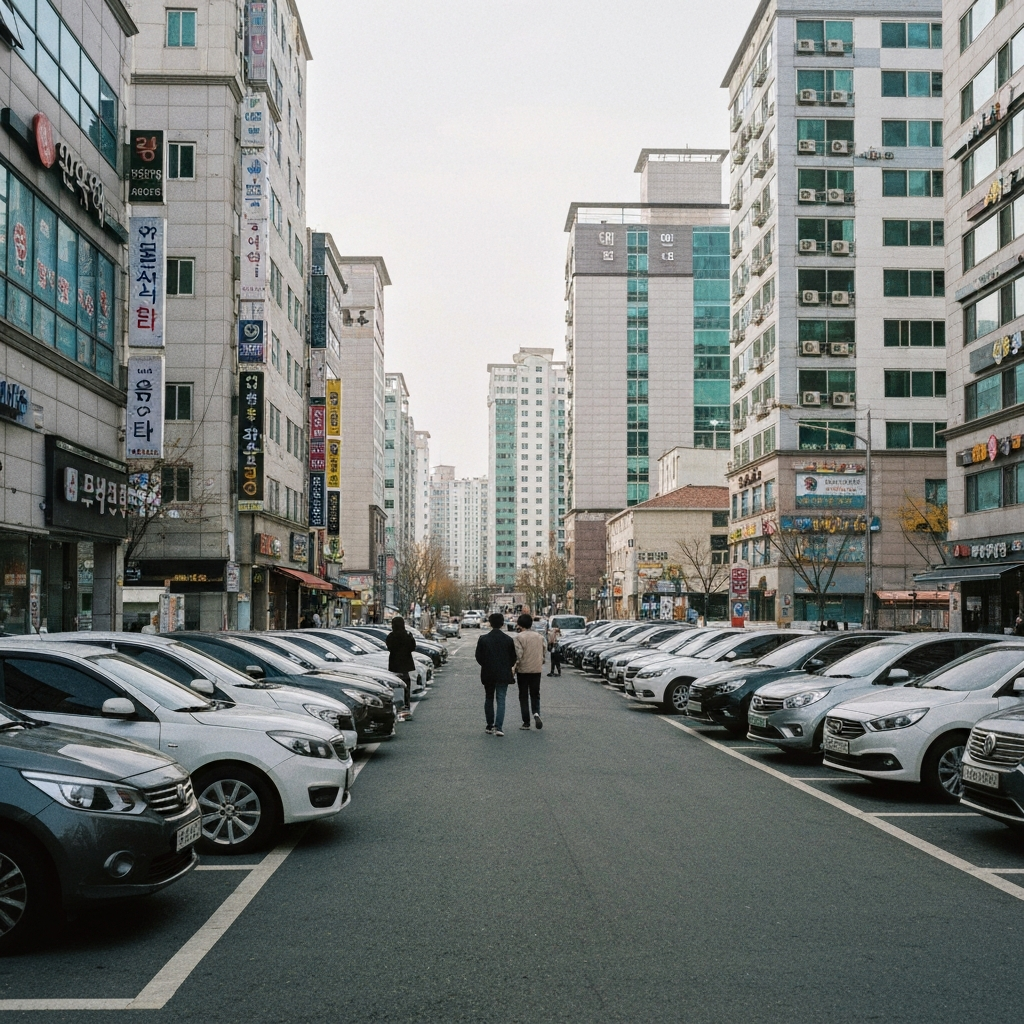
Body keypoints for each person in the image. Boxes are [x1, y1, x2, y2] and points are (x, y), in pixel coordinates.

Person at [475, 612, 517, 736]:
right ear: (502, 623)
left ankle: (489, 725)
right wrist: (506, 666)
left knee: (489, 698)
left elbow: (478, 656)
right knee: (501, 699)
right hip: (503, 673)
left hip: (488, 672)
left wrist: (486, 664)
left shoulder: (483, 639)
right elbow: (513, 658)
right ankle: (499, 727)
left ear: (490, 623)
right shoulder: (508, 640)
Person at [513, 613, 546, 730]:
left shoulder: (519, 637)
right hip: (536, 669)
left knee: (523, 695)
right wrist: (542, 661)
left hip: (523, 670)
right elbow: (544, 651)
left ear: (520, 625)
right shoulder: (539, 636)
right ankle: (536, 713)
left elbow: (519, 655)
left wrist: (514, 668)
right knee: (535, 694)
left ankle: (526, 722)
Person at [386, 616, 418, 712]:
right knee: (406, 684)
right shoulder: (407, 635)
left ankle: (395, 703)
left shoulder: (391, 636)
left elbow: (389, 647)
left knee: (394, 684)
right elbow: (413, 647)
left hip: (394, 663)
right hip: (405, 663)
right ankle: (406, 703)